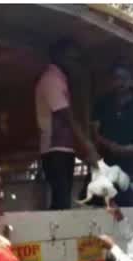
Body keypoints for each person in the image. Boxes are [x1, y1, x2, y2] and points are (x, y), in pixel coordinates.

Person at [35, 39, 100, 210]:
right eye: (72, 58)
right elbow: (65, 116)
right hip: (54, 149)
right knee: (61, 200)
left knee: (62, 198)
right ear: (58, 57)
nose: (74, 63)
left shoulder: (60, 79)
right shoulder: (51, 80)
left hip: (61, 148)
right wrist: (87, 146)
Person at [91, 59, 133, 207]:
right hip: (104, 166)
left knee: (125, 207)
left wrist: (131, 148)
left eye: (124, 78)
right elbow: (94, 132)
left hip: (129, 167)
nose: (120, 82)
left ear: (131, 80)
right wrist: (109, 145)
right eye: (116, 78)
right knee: (96, 206)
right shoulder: (102, 103)